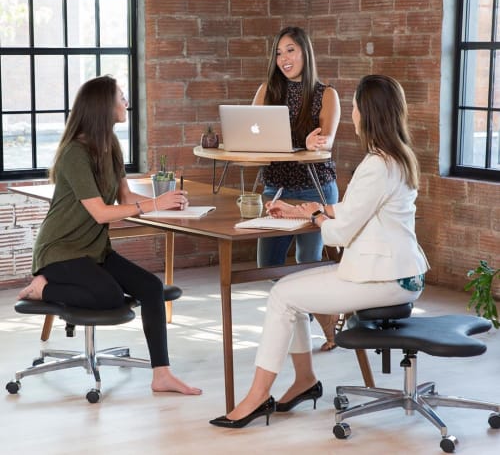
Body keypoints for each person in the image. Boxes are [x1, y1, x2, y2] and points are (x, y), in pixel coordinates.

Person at [209, 74, 429, 428]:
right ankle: (304, 381)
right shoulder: (395, 157)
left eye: (356, 108)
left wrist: (316, 215)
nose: (353, 115)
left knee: (282, 294)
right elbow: (355, 208)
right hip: (399, 272)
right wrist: (306, 211)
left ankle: (256, 397)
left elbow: (338, 235)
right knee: (292, 289)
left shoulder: (376, 165)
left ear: (368, 114)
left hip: (384, 278)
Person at [17, 75, 202, 396]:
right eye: (121, 97)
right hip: (61, 250)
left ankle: (162, 373)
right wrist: (154, 204)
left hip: (94, 249)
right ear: (104, 106)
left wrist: (165, 205)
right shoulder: (74, 153)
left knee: (151, 287)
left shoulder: (111, 145)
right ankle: (44, 289)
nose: (126, 102)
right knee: (110, 297)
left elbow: (125, 198)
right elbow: (101, 212)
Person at [253, 26, 342, 351]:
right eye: (278, 53)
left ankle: (323, 330)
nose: (284, 59)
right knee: (268, 265)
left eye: (290, 50)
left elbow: (324, 144)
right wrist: (297, 143)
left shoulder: (325, 94)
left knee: (307, 267)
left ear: (305, 52)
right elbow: (255, 140)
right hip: (275, 189)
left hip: (313, 192)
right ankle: (311, 319)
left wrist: (306, 145)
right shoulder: (266, 91)